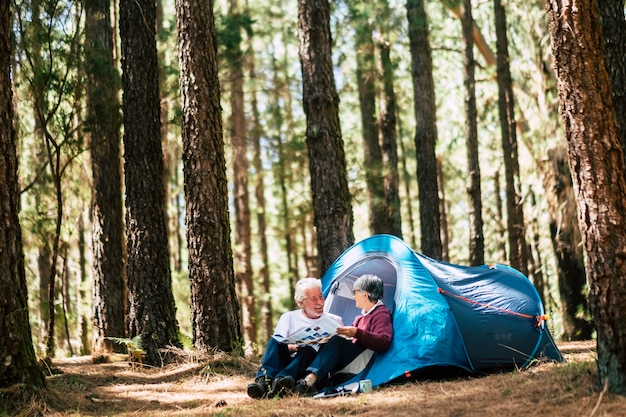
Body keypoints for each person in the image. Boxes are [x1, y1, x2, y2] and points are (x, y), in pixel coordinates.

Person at [294, 274, 393, 396]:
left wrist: (357, 333)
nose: (353, 296)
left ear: (365, 295)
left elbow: (384, 341)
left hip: (363, 360)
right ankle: (302, 379)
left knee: (337, 342)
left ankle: (310, 380)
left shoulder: (381, 313)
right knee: (321, 344)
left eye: (355, 292)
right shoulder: (361, 317)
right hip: (352, 356)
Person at [247, 277, 343, 399]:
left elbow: (338, 351)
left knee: (308, 350)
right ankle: (264, 380)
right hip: (288, 361)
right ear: (301, 303)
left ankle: (282, 381)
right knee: (275, 341)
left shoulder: (335, 320)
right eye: (314, 299)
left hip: (310, 367)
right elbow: (279, 348)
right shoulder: (288, 318)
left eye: (321, 297)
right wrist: (293, 347)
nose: (320, 302)